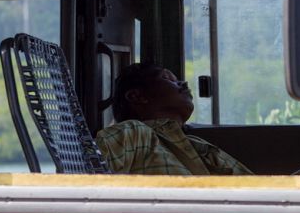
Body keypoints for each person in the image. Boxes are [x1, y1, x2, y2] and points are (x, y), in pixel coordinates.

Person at [96, 62, 252, 176]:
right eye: (169, 79)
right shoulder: (136, 134)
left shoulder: (199, 146)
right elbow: (90, 169)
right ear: (137, 96)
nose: (183, 83)